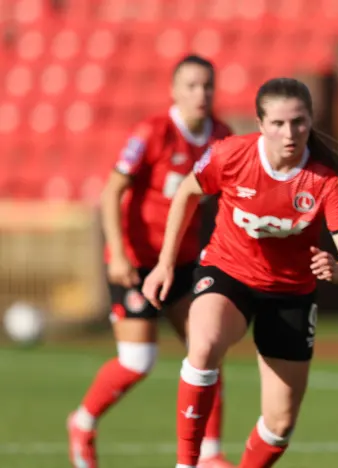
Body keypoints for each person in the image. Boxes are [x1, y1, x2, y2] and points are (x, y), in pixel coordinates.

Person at [141, 77, 338, 468]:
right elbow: (186, 192)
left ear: (310, 121)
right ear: (260, 123)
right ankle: (186, 464)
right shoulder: (231, 154)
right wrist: (164, 264)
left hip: (291, 293)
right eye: (278, 124)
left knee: (280, 424)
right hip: (228, 272)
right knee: (203, 345)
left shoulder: (327, 181)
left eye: (298, 122)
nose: (290, 133)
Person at [67, 55, 234, 468]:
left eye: (207, 86)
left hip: (183, 264)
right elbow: (111, 192)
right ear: (174, 91)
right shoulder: (152, 132)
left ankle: (210, 456)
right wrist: (119, 254)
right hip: (138, 263)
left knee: (206, 349)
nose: (201, 94)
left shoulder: (223, 136)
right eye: (192, 86)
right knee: (138, 361)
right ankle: (83, 423)